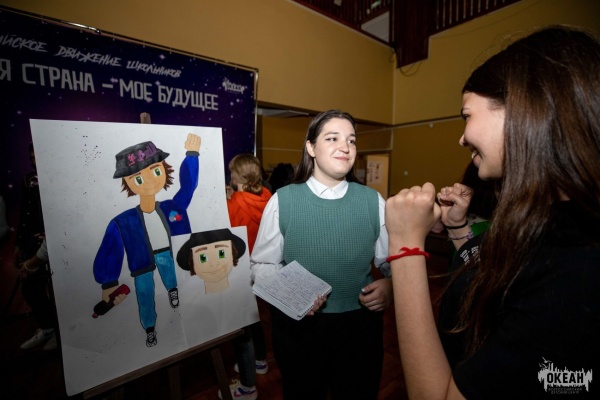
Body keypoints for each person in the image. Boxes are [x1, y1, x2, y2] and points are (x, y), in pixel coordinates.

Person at [385, 26, 600, 399]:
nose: (462, 137)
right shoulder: (550, 218)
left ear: (523, 110)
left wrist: (406, 247)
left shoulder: (578, 273)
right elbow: (500, 276)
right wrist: (457, 229)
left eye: (467, 115)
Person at [251, 109, 392, 400]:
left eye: (351, 140)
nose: (345, 147)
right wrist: (292, 294)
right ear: (311, 147)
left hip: (359, 325)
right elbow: (263, 264)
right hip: (299, 328)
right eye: (332, 138)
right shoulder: (283, 200)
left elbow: (391, 262)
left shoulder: (373, 201)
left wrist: (391, 285)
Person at [93, 134, 201, 347]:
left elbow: (188, 187)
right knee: (144, 294)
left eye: (156, 171)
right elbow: (110, 249)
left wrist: (192, 156)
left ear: (164, 170)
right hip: (141, 263)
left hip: (167, 253)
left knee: (172, 276)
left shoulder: (172, 207)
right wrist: (109, 283)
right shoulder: (123, 221)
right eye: (139, 179)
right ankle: (150, 328)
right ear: (128, 183)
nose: (150, 181)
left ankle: (173, 291)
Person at [219, 154, 272, 400]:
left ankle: (247, 387)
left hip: (240, 270)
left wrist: (226, 198)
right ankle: (259, 361)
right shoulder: (267, 196)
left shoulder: (232, 204)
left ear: (236, 176)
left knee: (242, 329)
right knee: (254, 317)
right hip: (263, 269)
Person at [15, 144, 59, 351]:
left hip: (53, 242)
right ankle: (49, 327)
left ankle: (58, 332)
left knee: (58, 290)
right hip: (34, 242)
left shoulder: (58, 179)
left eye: (38, 157)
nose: (35, 162)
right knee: (31, 287)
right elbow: (25, 212)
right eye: (32, 158)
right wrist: (18, 243)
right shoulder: (30, 179)